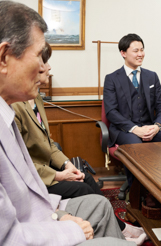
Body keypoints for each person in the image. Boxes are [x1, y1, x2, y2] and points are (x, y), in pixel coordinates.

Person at [0, 2, 142, 245]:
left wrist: (59, 213)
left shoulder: (9, 113)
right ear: (4, 57)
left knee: (97, 202)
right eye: (38, 56)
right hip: (30, 230)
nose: (45, 68)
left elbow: (30, 195)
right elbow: (9, 236)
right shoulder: (14, 109)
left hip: (40, 214)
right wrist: (73, 228)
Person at [12, 42, 102, 199]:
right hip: (34, 178)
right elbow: (20, 164)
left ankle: (116, 224)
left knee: (85, 177)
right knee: (83, 189)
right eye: (45, 62)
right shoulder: (15, 106)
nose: (49, 67)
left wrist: (68, 166)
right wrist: (59, 176)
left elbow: (49, 143)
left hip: (47, 168)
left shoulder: (37, 98)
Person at [103, 33, 161, 186]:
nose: (141, 54)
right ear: (123, 53)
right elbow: (111, 112)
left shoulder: (152, 76)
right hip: (125, 131)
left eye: (142, 50)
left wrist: (157, 126)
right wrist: (134, 129)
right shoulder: (112, 79)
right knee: (136, 149)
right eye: (136, 51)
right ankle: (137, 191)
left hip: (151, 127)